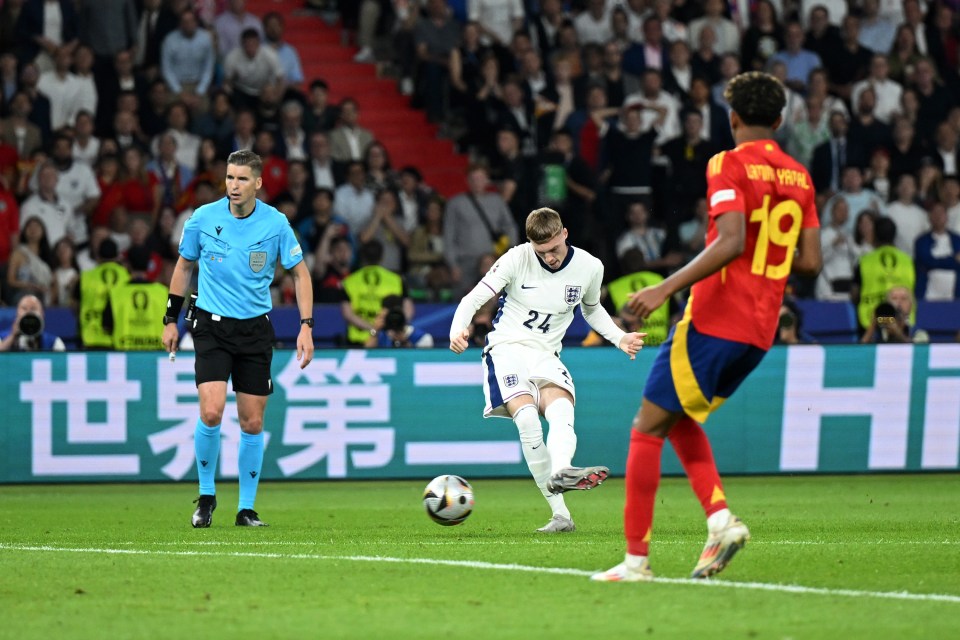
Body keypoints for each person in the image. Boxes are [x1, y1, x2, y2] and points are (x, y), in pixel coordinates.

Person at [593, 72, 821, 582]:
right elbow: (809, 263)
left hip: (717, 317)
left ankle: (636, 562)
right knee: (677, 416)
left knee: (647, 427)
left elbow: (732, 240)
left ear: (732, 117)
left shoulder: (728, 162)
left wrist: (663, 288)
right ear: (780, 121)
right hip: (760, 331)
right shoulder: (801, 177)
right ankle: (719, 521)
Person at [448, 207, 647, 533]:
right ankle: (561, 514)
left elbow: (592, 309)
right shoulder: (515, 259)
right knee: (527, 419)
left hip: (547, 354)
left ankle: (564, 470)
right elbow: (473, 299)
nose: (550, 257)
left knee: (561, 411)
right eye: (542, 252)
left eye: (554, 249)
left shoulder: (589, 267)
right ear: (531, 244)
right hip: (507, 349)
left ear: (564, 233)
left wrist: (620, 337)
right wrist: (459, 328)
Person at [161, 150, 314, 529]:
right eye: (230, 178)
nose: (233, 185)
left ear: (258, 184)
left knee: (251, 423)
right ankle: (207, 495)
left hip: (254, 330)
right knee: (211, 412)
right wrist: (170, 319)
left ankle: (246, 508)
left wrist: (306, 325)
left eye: (242, 179)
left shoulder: (276, 224)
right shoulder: (203, 218)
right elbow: (183, 266)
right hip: (211, 327)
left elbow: (301, 274)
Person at [0, 294, 65, 352]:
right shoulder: (2, 338)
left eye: (33, 308)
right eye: (24, 308)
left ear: (42, 314)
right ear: (17, 313)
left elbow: (61, 363)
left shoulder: (54, 342)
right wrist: (12, 336)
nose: (28, 312)